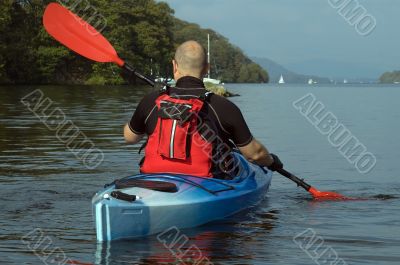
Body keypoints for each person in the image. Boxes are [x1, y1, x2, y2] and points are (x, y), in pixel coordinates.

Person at [124, 40, 283, 177]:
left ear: (174, 65)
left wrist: (141, 113)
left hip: (154, 178)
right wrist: (271, 161)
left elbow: (130, 138)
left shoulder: (151, 100)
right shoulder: (223, 106)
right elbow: (255, 154)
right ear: (207, 68)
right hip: (205, 184)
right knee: (237, 158)